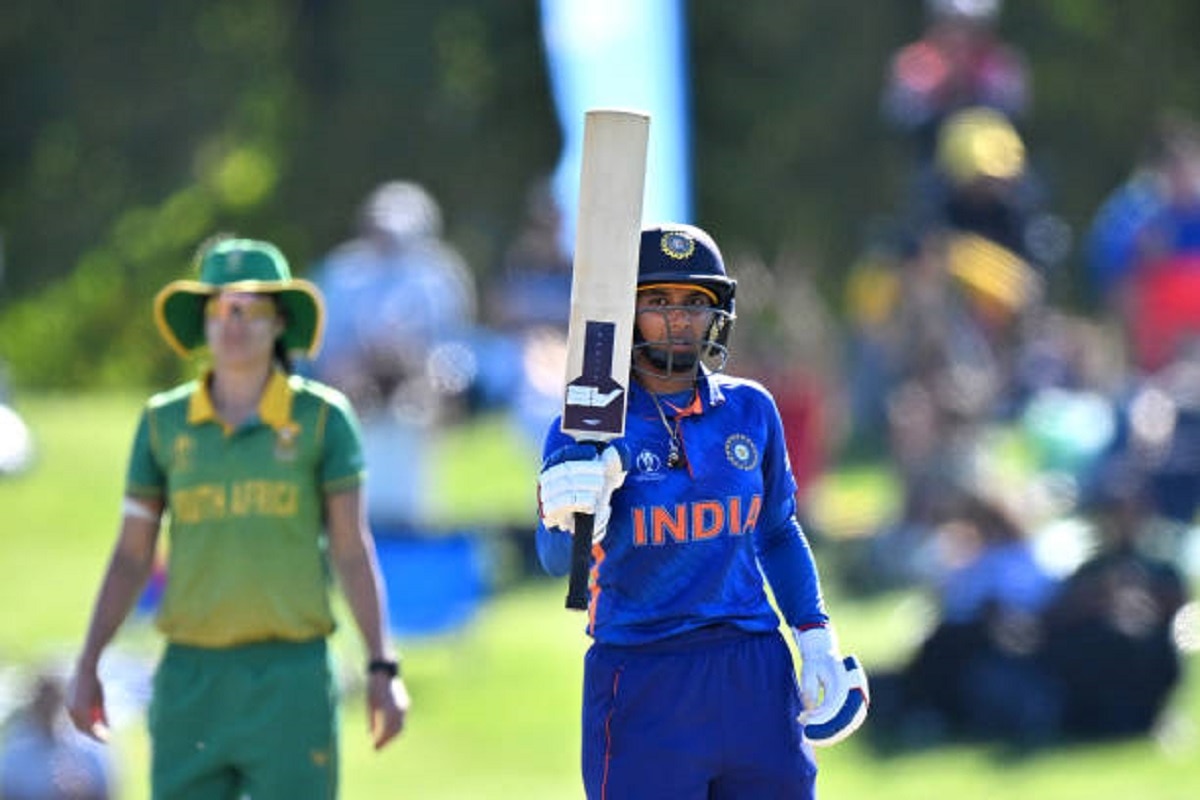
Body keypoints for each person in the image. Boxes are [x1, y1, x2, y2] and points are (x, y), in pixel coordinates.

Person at [66, 236, 409, 799]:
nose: (232, 322)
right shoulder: (163, 424)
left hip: (291, 679)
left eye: (250, 309)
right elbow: (132, 555)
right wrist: (88, 661)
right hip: (190, 681)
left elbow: (351, 549)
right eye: (218, 307)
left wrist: (381, 668)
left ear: (279, 323)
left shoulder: (322, 420)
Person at [535, 224, 866, 799]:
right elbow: (555, 561)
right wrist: (580, 512)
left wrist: (815, 638)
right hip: (643, 672)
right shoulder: (585, 423)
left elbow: (779, 531)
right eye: (658, 301)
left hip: (753, 669)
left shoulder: (750, 409)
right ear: (624, 313)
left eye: (694, 302)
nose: (679, 318)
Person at [1, 670, 114, 799]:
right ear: (34, 706)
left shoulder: (89, 749)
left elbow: (106, 794)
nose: (49, 709)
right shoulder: (16, 754)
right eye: (44, 702)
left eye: (55, 701)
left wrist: (81, 792)